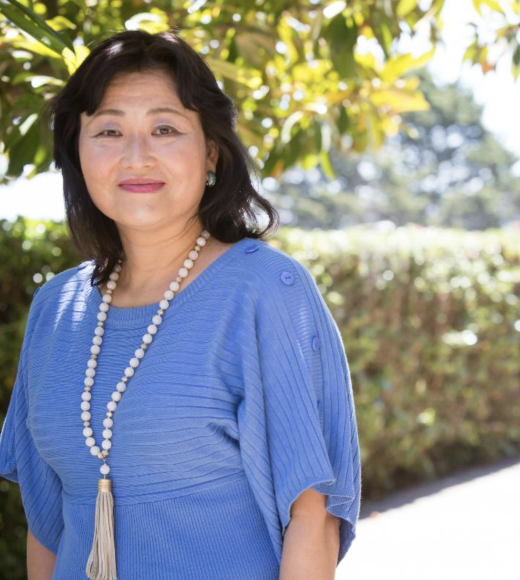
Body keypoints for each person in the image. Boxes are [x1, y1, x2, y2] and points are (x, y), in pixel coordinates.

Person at [0, 29, 361, 580]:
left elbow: (312, 516)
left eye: (165, 128)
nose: (136, 155)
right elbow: (47, 527)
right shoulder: (55, 309)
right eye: (109, 130)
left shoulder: (266, 290)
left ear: (211, 151)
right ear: (79, 151)